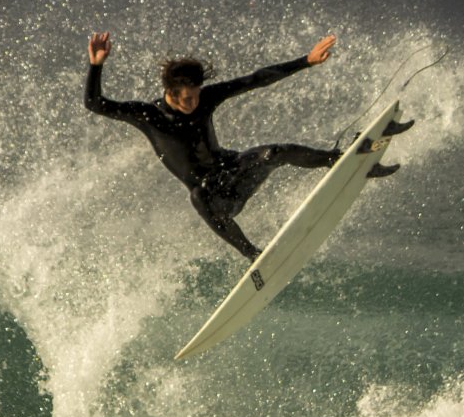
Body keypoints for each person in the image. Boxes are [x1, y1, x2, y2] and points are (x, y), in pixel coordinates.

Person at [84, 30, 404, 259]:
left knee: (275, 152)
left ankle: (346, 160)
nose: (195, 102)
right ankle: (253, 255)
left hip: (234, 171)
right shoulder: (147, 115)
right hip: (217, 198)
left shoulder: (205, 98)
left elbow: (255, 79)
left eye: (197, 95)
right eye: (188, 98)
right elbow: (95, 104)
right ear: (170, 91)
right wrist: (96, 66)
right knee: (197, 197)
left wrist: (305, 61)